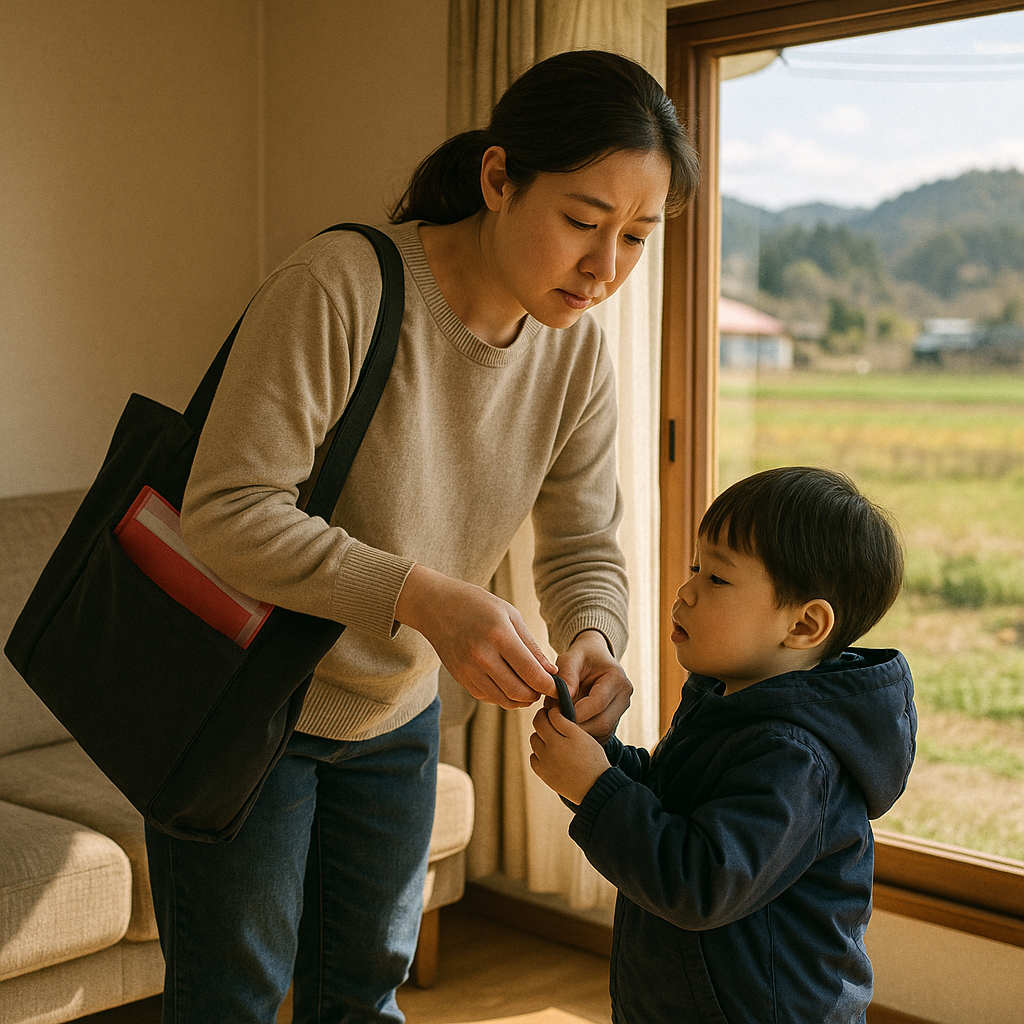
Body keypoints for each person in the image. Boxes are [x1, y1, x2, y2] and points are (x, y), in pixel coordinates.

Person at [144, 50, 701, 1024]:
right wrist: (425, 597)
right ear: (497, 178)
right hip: (248, 707)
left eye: (636, 238)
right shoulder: (341, 286)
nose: (604, 269)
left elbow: (578, 539)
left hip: (393, 714)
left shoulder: (573, 354)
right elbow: (227, 512)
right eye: (581, 220)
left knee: (362, 995)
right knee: (230, 1003)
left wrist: (595, 636)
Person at [530, 466, 916, 1024]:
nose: (685, 590)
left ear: (805, 625)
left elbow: (700, 881)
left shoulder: (796, 758)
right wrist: (602, 756)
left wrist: (594, 786)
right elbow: (671, 808)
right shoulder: (729, 701)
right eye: (695, 567)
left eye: (717, 579)